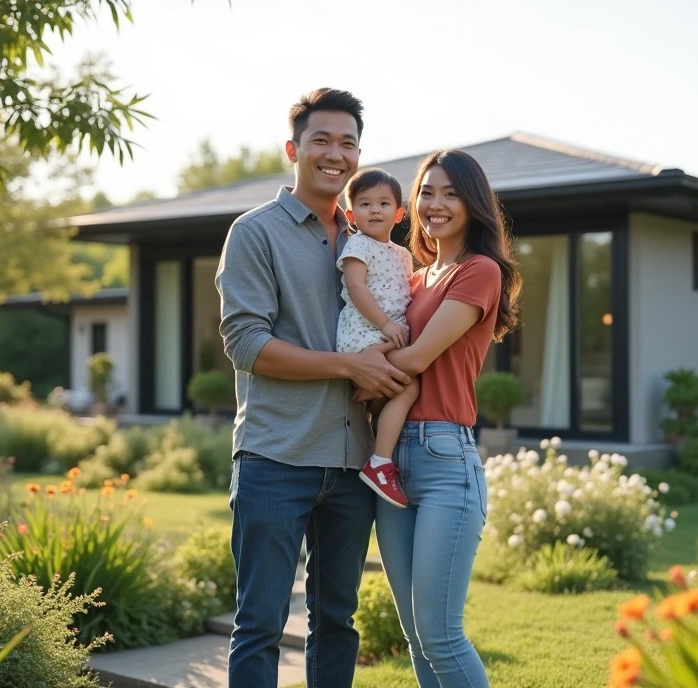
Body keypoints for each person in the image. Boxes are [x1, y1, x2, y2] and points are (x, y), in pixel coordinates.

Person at [215, 88, 410, 688]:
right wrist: (348, 367)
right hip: (277, 456)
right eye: (321, 140)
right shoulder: (255, 233)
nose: (335, 153)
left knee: (336, 620)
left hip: (353, 462)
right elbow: (245, 343)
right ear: (293, 148)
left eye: (348, 142)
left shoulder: (371, 238)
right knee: (261, 625)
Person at [372, 149, 523, 687]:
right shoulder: (415, 279)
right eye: (427, 192)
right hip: (391, 460)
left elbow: (414, 359)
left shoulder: (479, 271)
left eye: (450, 193)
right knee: (415, 634)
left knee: (440, 633)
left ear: (473, 202)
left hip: (443, 459)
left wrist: (353, 363)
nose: (434, 205)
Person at [336, 168, 418, 509]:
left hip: (388, 335)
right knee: (410, 386)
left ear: (398, 213)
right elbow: (356, 288)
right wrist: (385, 325)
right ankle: (380, 463)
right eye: (366, 204)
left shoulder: (403, 255)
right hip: (364, 334)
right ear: (352, 216)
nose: (375, 210)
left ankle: (378, 447)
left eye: (384, 203)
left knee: (392, 396)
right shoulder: (357, 245)